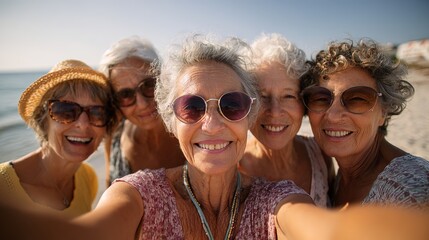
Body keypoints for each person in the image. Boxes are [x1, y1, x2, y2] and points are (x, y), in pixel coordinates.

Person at [1, 35, 429, 240]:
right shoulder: (138, 191)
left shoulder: (277, 196)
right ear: (170, 120)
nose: (211, 123)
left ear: (249, 116)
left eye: (232, 105)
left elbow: (329, 230)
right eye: (191, 107)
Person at [300, 38, 429, 208]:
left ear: (384, 111)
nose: (333, 115)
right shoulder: (338, 175)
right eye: (321, 98)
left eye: (358, 99)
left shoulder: (412, 191)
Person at [0, 59, 116, 217]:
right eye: (65, 111)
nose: (83, 124)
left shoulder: (87, 178)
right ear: (42, 120)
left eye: (96, 113)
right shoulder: (3, 187)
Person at [239, 33, 334, 207]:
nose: (275, 112)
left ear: (304, 102)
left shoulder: (320, 155)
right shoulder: (232, 168)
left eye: (289, 96)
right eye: (262, 96)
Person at [99, 36, 186, 186]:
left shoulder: (195, 131)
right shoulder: (114, 136)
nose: (142, 104)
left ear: (164, 79)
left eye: (148, 85)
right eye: (125, 95)